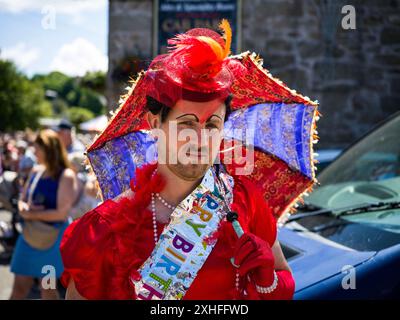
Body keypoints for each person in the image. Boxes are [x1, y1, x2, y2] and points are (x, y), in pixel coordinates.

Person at [60, 21, 297, 300]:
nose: (200, 139)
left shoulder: (245, 199)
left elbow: (284, 283)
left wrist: (268, 280)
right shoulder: (106, 228)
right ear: (154, 123)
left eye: (212, 125)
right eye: (186, 123)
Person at [9, 129, 79, 300]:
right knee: (19, 288)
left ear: (49, 150)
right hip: (29, 237)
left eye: (37, 149)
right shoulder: (35, 171)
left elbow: (61, 214)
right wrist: (24, 207)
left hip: (53, 242)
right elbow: (23, 199)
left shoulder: (66, 175)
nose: (34, 152)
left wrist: (29, 214)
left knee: (47, 289)